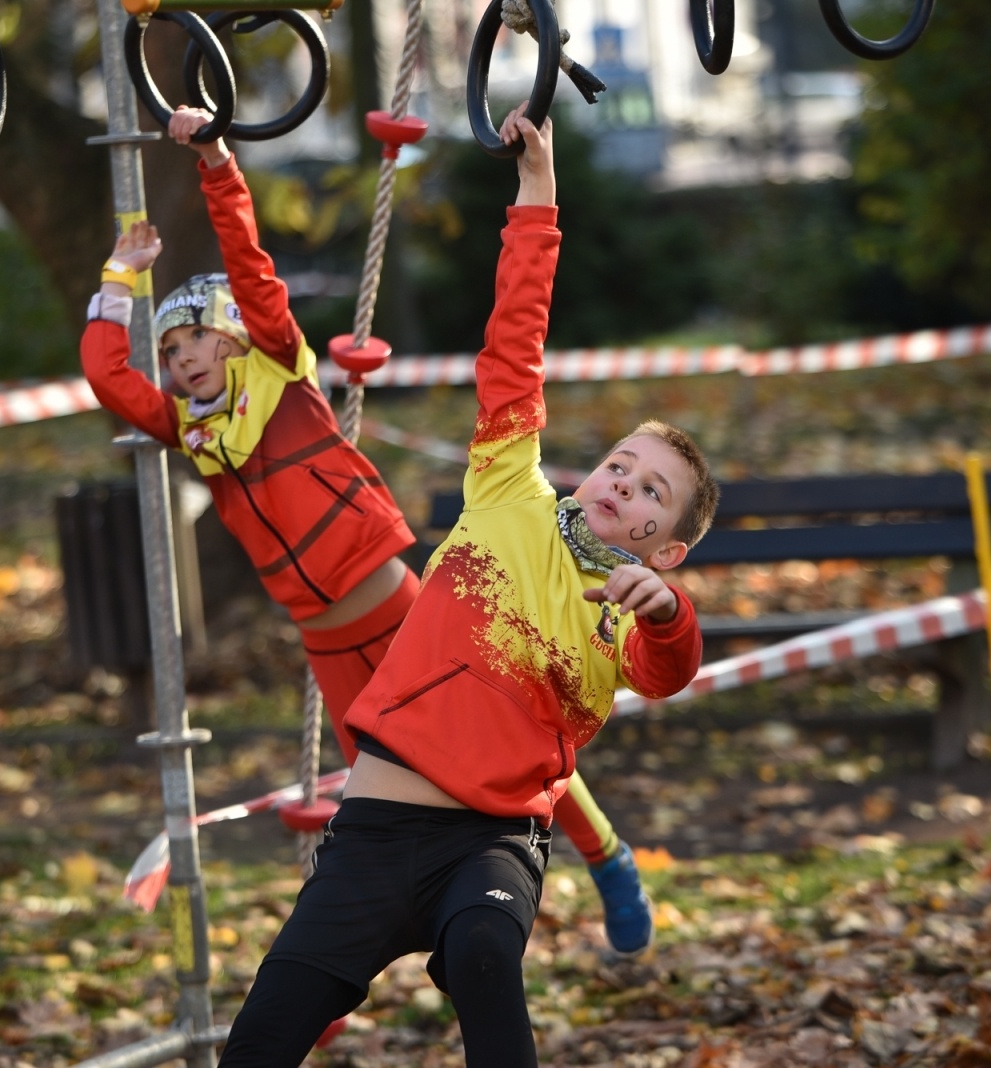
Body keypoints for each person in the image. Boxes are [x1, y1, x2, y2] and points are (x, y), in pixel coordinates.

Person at [80, 106, 658, 951]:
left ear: (235, 336)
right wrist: (121, 275)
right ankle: (334, 965)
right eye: (171, 353)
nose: (186, 360)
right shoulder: (192, 430)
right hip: (325, 643)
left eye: (198, 337)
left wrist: (214, 160)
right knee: (377, 804)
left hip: (398, 612)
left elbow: (248, 258)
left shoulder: (282, 372)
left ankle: (606, 856)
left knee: (509, 740)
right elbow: (105, 372)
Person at [214, 103, 720, 1068]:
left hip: (490, 844)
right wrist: (538, 200)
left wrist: (671, 618)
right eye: (620, 463)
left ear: (667, 549)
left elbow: (666, 672)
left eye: (654, 491)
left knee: (486, 951)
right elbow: (514, 345)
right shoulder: (509, 489)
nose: (624, 484)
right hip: (374, 825)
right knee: (263, 1035)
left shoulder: (630, 610)